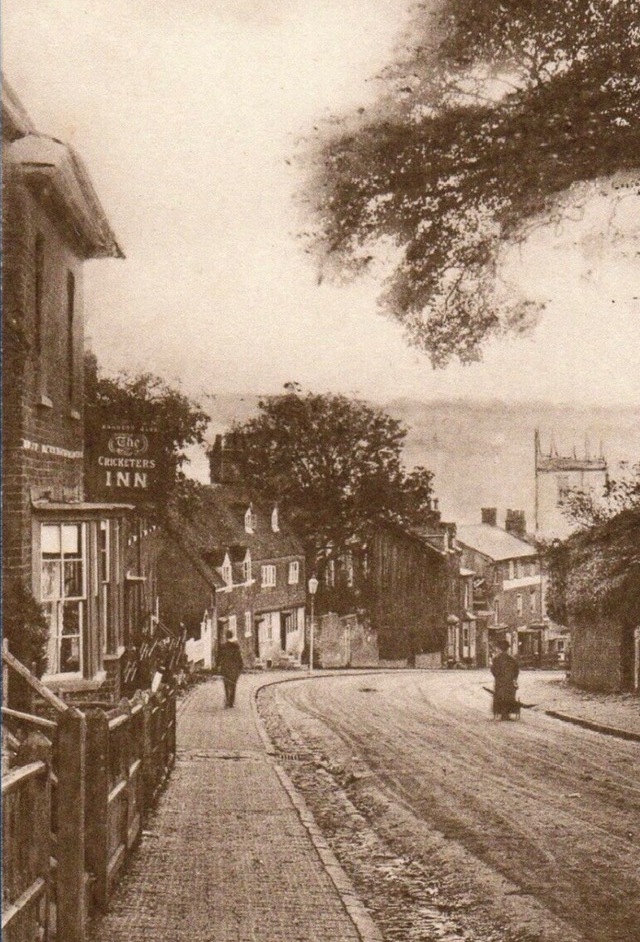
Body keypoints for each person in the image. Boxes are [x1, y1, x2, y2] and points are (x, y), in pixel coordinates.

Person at [491, 637, 519, 720]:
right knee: (509, 696)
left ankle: (500, 713)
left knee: (499, 696)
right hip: (509, 681)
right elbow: (516, 670)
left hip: (500, 681)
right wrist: (514, 678)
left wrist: (497, 677)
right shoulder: (512, 659)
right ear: (507, 649)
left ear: (500, 648)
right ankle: (506, 714)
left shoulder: (496, 659)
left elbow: (493, 670)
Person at [216, 629, 244, 708]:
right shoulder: (236, 646)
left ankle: (227, 699)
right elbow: (239, 658)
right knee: (233, 685)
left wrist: (218, 666)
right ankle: (231, 702)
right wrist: (240, 667)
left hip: (225, 668)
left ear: (226, 636)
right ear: (232, 636)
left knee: (226, 684)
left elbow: (219, 658)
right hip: (234, 668)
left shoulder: (223, 646)